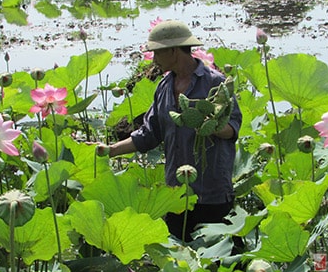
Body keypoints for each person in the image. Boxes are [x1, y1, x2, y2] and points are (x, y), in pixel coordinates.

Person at [98, 20, 242, 242]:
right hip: (176, 194)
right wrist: (111, 150)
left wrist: (209, 125)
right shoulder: (164, 86)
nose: (153, 59)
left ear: (174, 51)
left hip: (211, 192)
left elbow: (233, 128)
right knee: (180, 259)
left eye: (157, 53)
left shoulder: (215, 83)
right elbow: (149, 134)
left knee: (218, 260)